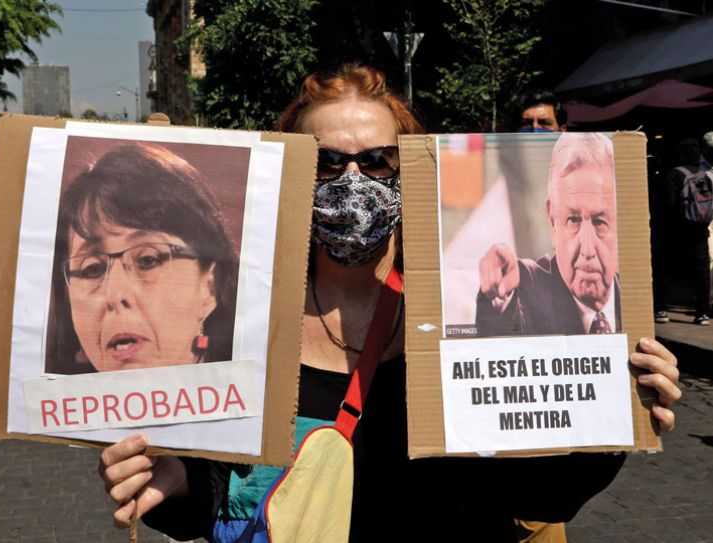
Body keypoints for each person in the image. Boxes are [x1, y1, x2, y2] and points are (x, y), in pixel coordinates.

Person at [98, 65, 681, 542]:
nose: (352, 179)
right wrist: (173, 485)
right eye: (326, 160)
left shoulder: (465, 310)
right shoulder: (243, 316)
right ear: (292, 168)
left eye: (376, 160)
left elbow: (538, 494)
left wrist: (613, 418)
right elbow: (217, 506)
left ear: (408, 170)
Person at [47, 143, 238, 373]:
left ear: (210, 287)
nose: (116, 294)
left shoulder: (262, 398)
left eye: (148, 260)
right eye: (92, 269)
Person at [476, 133, 620, 336]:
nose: (587, 249)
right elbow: (496, 332)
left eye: (600, 222)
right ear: (553, 221)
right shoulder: (526, 285)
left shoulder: (634, 299)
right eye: (573, 220)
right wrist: (500, 294)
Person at [653, 138, 711, 326]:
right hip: (699, 232)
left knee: (663, 268)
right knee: (701, 271)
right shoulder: (704, 175)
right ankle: (702, 313)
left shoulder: (674, 174)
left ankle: (661, 309)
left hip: (675, 232)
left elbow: (668, 205)